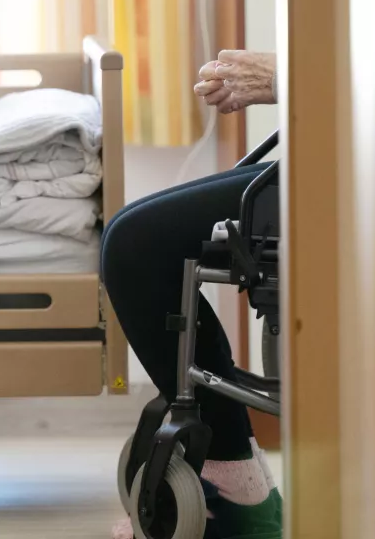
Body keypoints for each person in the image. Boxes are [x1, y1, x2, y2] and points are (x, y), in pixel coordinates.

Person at [103, 49, 282, 539]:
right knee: (127, 230)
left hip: (374, 170)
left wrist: (283, 75)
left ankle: (234, 490)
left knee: (134, 245)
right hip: (338, 154)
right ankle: (242, 485)